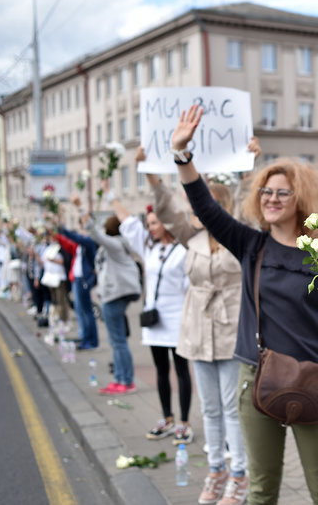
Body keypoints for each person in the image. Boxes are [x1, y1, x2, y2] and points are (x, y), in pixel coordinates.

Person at [172, 105, 318, 505]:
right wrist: (182, 154)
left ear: (300, 198)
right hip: (257, 378)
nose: (272, 198)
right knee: (262, 491)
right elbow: (206, 208)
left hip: (316, 380)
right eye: (266, 191)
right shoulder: (251, 245)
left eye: (282, 192)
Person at [139, 143, 256, 505]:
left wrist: (249, 164)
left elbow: (248, 201)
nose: (197, 211)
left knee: (232, 408)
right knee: (209, 408)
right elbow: (165, 208)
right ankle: (216, 470)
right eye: (196, 206)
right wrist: (150, 172)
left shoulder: (239, 236)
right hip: (198, 328)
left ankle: (239, 475)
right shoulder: (191, 237)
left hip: (231, 327)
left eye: (206, 205)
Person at [107, 185, 194, 446]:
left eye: (155, 223)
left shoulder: (183, 250)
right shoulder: (149, 248)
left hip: (177, 318)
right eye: (149, 224)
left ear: (167, 222)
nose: (150, 228)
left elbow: (190, 287)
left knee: (181, 371)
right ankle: (167, 418)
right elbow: (128, 223)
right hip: (154, 319)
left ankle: (184, 423)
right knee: (161, 370)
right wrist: (110, 196)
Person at [77, 207, 142, 395]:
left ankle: (126, 381)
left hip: (115, 295)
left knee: (118, 341)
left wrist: (82, 209)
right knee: (116, 341)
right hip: (111, 294)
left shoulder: (115, 245)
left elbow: (95, 234)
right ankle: (120, 379)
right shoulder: (114, 247)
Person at [56, 217, 100, 350]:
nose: (82, 228)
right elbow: (70, 245)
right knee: (80, 310)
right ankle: (85, 337)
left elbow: (75, 238)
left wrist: (62, 228)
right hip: (77, 278)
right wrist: (57, 235)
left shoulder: (89, 240)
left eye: (84, 225)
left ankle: (91, 340)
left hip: (83, 280)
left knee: (86, 311)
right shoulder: (83, 242)